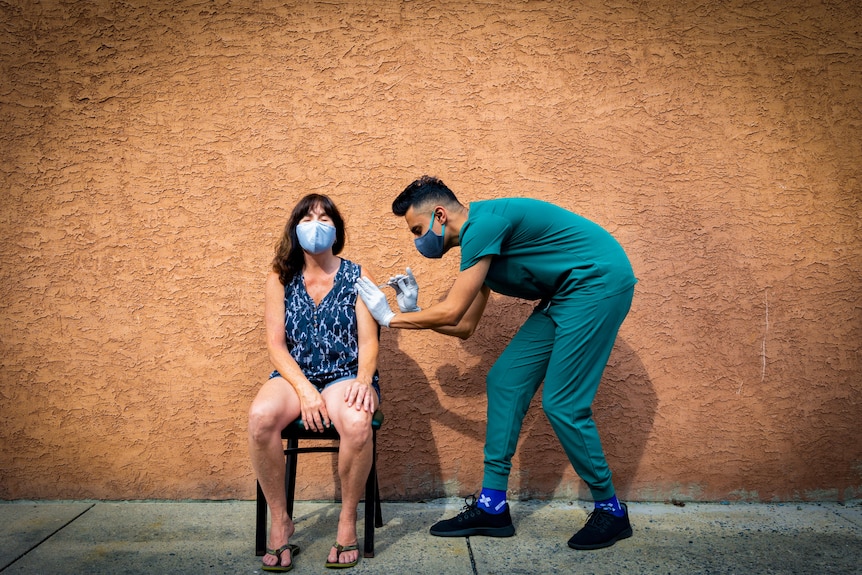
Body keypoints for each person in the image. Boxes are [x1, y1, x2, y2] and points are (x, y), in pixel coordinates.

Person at [355, 176, 637, 550]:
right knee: (504, 380)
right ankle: (492, 506)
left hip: (597, 283)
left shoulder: (483, 225)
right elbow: (466, 326)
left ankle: (611, 510)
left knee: (563, 403)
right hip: (564, 295)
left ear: (440, 214)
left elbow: (454, 310)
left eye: (418, 230)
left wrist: (390, 317)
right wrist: (417, 312)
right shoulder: (479, 244)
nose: (418, 240)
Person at [249, 194, 380, 571]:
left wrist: (364, 380)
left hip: (345, 374)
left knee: (357, 424)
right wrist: (305, 390)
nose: (316, 224)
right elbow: (275, 346)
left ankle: (347, 519)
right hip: (295, 375)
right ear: (295, 228)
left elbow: (369, 341)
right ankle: (281, 520)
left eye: (325, 217)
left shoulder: (357, 275)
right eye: (307, 218)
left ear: (336, 229)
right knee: (260, 418)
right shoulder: (281, 277)